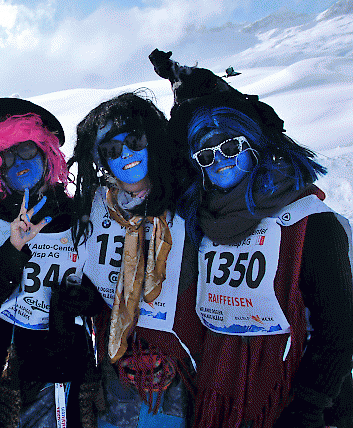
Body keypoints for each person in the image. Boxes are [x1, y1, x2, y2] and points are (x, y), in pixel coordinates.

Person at [151, 49, 353, 428]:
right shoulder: (203, 221)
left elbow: (339, 328)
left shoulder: (310, 222)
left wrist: (308, 407)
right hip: (221, 391)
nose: (220, 159)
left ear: (255, 145)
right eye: (206, 155)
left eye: (230, 146)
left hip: (294, 398)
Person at [0, 80, 104, 428]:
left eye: (27, 150)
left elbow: (104, 285)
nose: (18, 162)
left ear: (46, 152)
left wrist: (87, 300)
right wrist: (13, 250)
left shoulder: (78, 212)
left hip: (70, 359)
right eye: (6, 156)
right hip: (11, 366)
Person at [70, 91, 202, 428]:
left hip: (179, 358)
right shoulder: (94, 205)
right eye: (112, 150)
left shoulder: (188, 196)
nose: (126, 154)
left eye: (134, 141)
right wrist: (83, 299)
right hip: (117, 361)